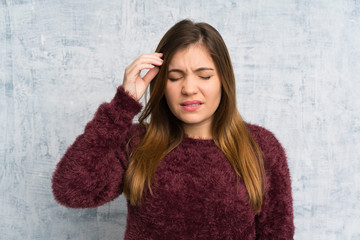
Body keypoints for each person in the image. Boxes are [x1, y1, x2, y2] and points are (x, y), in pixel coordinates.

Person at [52, 19, 294, 239]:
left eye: (204, 76)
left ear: (223, 80)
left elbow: (277, 233)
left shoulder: (261, 147)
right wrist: (121, 106)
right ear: (160, 84)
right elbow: (71, 190)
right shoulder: (137, 143)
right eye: (175, 77)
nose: (189, 88)